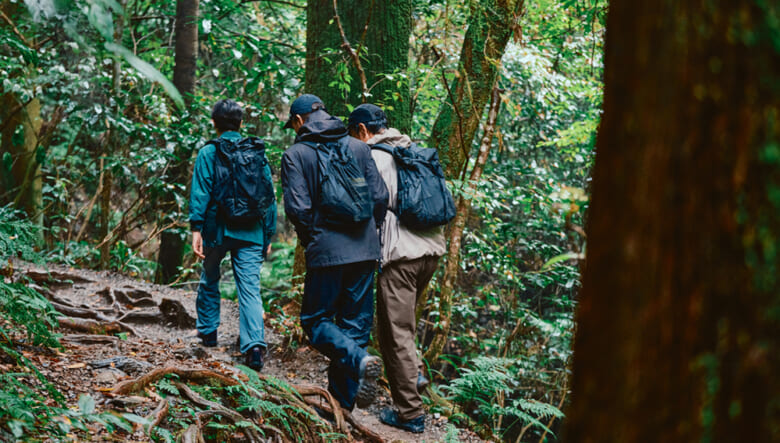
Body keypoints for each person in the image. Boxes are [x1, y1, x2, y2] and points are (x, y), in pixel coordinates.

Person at [280, 94, 389, 410]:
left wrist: (312, 239)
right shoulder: (358, 147)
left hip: (326, 249)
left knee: (315, 322)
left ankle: (359, 362)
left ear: (299, 121)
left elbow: (298, 209)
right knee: (354, 325)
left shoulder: (296, 154)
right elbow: (379, 197)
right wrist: (369, 234)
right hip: (365, 249)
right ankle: (342, 406)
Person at [347, 103, 446, 433]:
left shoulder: (374, 157)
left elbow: (365, 206)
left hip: (401, 257)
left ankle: (410, 415)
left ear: (362, 131)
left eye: (354, 135)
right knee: (403, 325)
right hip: (430, 252)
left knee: (396, 333)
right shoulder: (412, 149)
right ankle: (414, 375)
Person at [189, 99, 276, 371]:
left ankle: (208, 331)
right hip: (251, 231)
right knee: (249, 289)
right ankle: (254, 349)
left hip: (217, 229)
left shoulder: (207, 153)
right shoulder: (256, 153)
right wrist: (268, 235)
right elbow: (269, 198)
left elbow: (201, 193)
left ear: (214, 123)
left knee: (210, 276)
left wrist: (196, 229)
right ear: (241, 123)